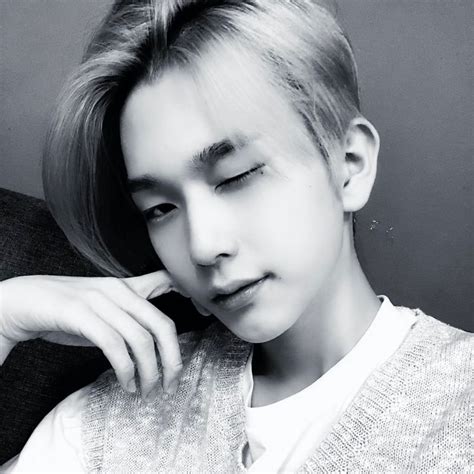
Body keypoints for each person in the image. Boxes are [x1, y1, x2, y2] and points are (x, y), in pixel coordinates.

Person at [0, 0, 471, 472]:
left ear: (350, 164)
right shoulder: (106, 423)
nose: (203, 247)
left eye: (237, 176)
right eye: (160, 209)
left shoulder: (458, 410)